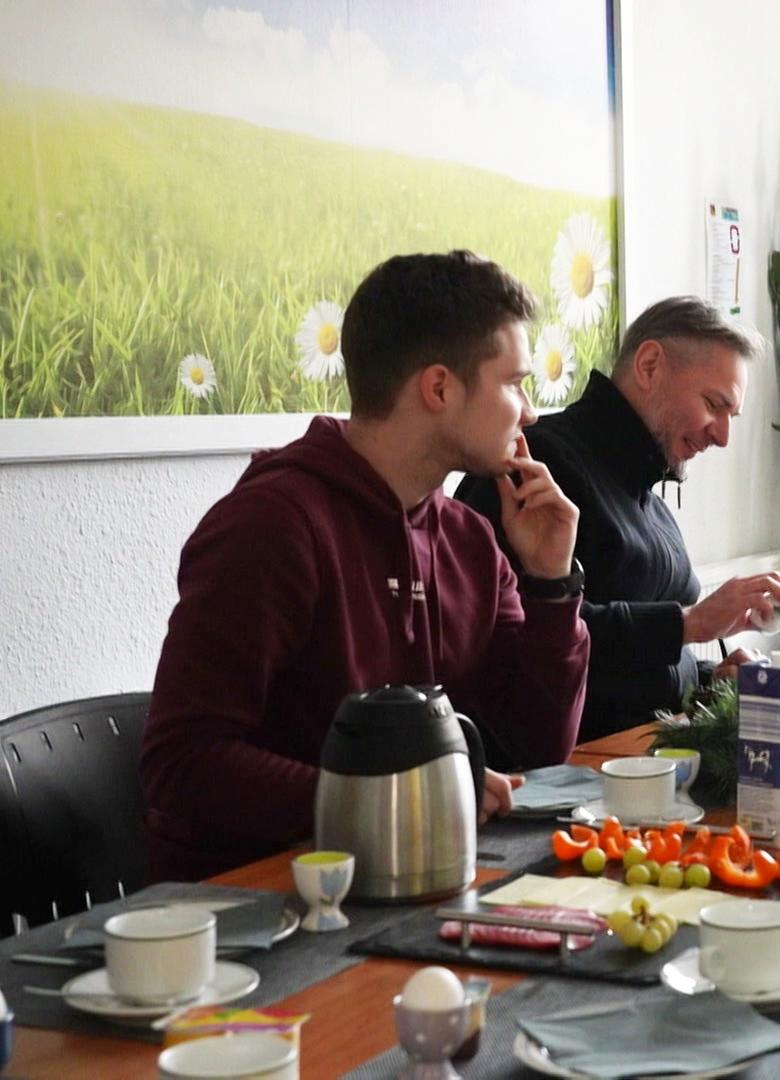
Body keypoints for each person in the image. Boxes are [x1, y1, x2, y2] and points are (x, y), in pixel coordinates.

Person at [141, 251, 590, 883]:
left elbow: (538, 749)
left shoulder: (470, 538)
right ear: (439, 388)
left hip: (406, 885)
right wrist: (397, 800)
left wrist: (550, 584)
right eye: (514, 383)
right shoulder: (273, 524)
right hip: (264, 909)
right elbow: (182, 764)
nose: (531, 413)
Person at [457, 296, 780, 741]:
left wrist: (706, 681)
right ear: (649, 366)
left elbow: (637, 670)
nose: (722, 436)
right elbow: (523, 638)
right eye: (713, 405)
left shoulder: (649, 494)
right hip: (572, 777)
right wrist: (690, 623)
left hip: (654, 760)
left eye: (730, 416)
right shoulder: (538, 468)